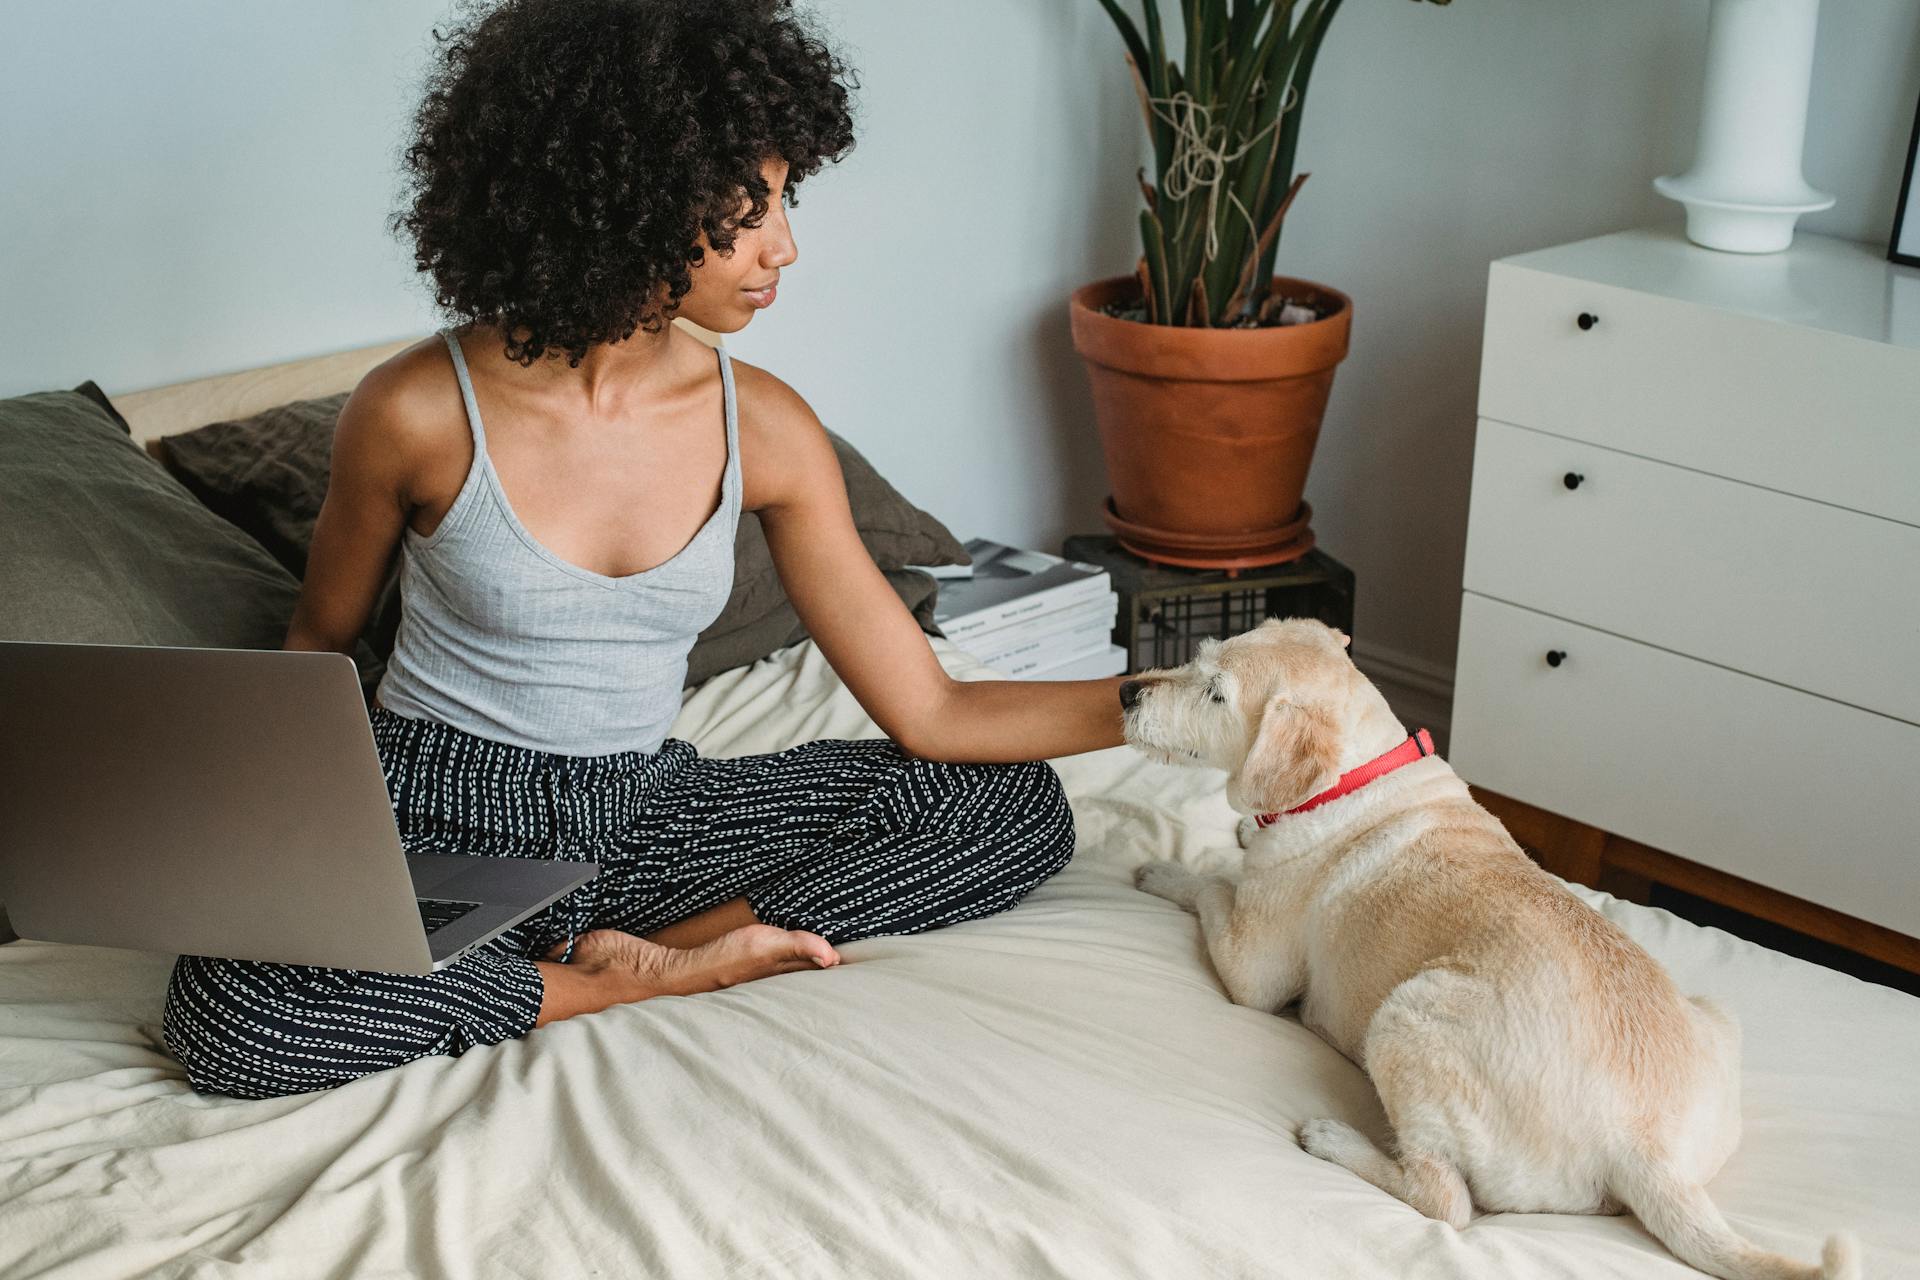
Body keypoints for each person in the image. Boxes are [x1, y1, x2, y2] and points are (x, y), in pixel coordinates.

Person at [162, 0, 1128, 1099]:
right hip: (432, 806)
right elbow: (319, 639)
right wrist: (268, 845)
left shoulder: (766, 424)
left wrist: (1191, 697)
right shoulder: (415, 410)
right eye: (746, 208)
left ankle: (678, 948)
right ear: (617, 199)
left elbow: (936, 716)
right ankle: (624, 983)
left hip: (644, 814)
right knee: (228, 1008)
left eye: (786, 200)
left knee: (1011, 806)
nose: (785, 245)